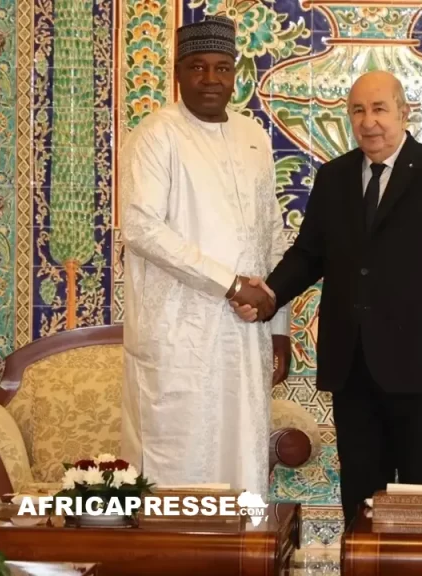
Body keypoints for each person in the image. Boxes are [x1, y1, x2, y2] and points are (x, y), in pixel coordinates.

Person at [235, 71, 422, 525]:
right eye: (358, 110)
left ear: (404, 113)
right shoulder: (334, 177)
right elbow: (309, 254)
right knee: (359, 498)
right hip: (353, 370)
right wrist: (269, 295)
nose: (368, 121)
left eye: (379, 109)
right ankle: (360, 560)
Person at [117, 15, 291, 497]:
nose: (211, 79)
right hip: (177, 335)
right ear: (177, 73)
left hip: (246, 335)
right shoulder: (156, 135)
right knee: (176, 461)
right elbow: (141, 227)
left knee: (241, 460)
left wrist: (278, 326)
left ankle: (241, 544)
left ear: (235, 75)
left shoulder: (253, 136)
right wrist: (230, 284)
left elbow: (271, 234)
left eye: (222, 68)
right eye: (197, 67)